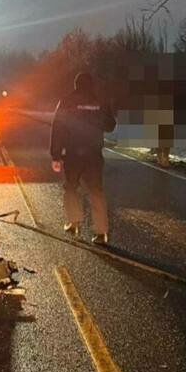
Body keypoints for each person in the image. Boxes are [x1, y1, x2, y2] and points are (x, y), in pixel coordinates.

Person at [50, 72, 116, 245]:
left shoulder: (66, 101)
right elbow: (110, 126)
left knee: (71, 187)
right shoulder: (100, 102)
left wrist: (56, 155)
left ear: (76, 85)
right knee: (96, 190)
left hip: (73, 154)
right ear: (91, 85)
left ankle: (74, 223)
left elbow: (57, 128)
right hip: (94, 154)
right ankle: (101, 233)